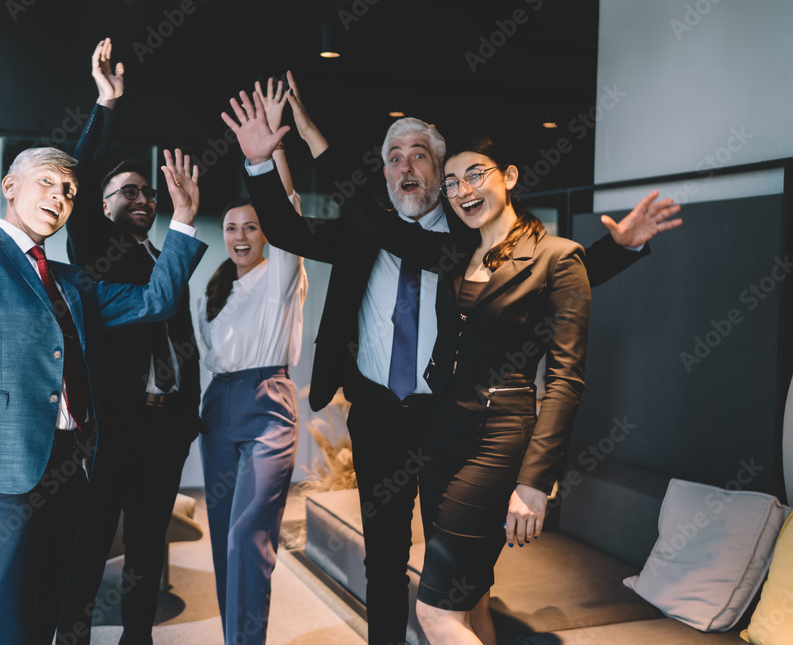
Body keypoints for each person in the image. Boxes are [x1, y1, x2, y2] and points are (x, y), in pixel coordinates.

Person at [224, 74, 681, 645]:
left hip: (453, 420)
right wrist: (261, 165)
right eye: (394, 157)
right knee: (384, 561)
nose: (406, 166)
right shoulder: (360, 234)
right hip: (379, 414)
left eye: (420, 155)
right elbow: (287, 228)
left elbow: (544, 277)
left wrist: (621, 247)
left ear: (442, 175)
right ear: (384, 173)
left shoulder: (470, 241)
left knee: (459, 576)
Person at [0, 143, 206, 645]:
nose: (59, 196)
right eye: (46, 182)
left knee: (46, 623)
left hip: (69, 468)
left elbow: (157, 299)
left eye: (69, 190)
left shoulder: (71, 281)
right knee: (7, 627)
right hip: (1, 472)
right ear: (10, 187)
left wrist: (186, 217)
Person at [56, 39, 205, 645]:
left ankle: (136, 638)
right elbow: (85, 171)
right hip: (114, 420)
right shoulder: (96, 246)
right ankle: (72, 634)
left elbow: (181, 338)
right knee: (92, 542)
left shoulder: (158, 253)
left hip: (164, 424)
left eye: (149, 193)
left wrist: (187, 416)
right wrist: (106, 105)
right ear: (100, 207)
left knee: (147, 545)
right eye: (129, 193)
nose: (143, 200)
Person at [201, 79, 307, 645]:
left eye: (251, 226)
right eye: (232, 229)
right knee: (222, 534)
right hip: (219, 405)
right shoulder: (213, 291)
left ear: (266, 234)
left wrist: (271, 152)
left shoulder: (283, 273)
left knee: (247, 534)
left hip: (268, 405)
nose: (241, 236)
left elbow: (287, 209)